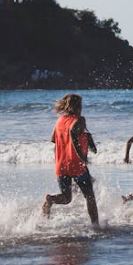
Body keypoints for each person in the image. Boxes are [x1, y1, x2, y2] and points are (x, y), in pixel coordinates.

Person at [42, 94, 100, 226]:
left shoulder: (59, 120)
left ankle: (50, 200)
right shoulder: (80, 119)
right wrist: (81, 155)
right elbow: (73, 132)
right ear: (77, 106)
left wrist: (83, 136)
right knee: (89, 197)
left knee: (66, 198)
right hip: (76, 165)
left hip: (61, 165)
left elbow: (53, 139)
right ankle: (96, 226)